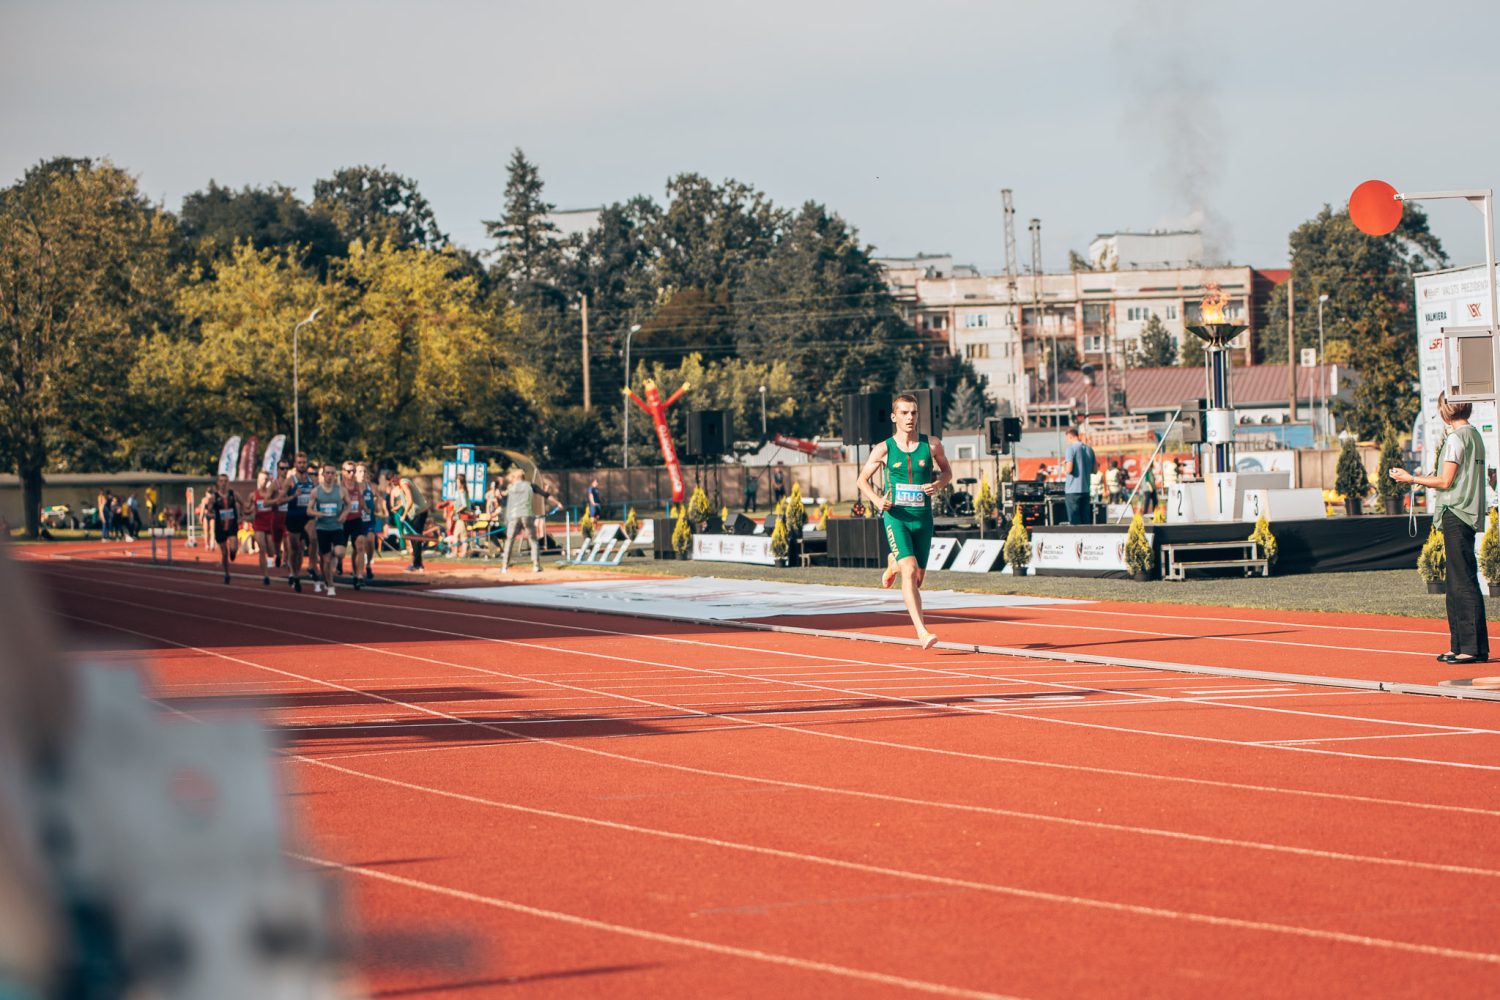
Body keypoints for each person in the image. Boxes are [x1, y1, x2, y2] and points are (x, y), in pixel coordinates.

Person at [1391, 393, 1488, 665]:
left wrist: (1411, 478)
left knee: (1462, 581)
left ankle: (1470, 648)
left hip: (1457, 511)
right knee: (1459, 581)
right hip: (1464, 511)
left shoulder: (1457, 438)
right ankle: (1462, 645)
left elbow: (1446, 481)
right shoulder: (1474, 435)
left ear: (1446, 409)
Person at [856, 393, 953, 649]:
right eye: (904, 413)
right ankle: (921, 631)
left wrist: (937, 484)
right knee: (909, 570)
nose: (910, 418)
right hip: (896, 517)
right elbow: (861, 480)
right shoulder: (884, 448)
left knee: (918, 577)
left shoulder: (931, 445)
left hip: (923, 519)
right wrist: (878, 501)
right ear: (894, 417)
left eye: (914, 413)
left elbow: (947, 472)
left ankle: (892, 563)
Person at [310, 463, 348, 596]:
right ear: (323, 474)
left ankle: (332, 554)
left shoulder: (341, 490)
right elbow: (308, 510)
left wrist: (344, 514)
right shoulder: (316, 491)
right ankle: (330, 585)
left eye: (333, 473)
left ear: (335, 475)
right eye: (328, 473)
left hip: (337, 527)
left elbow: (348, 505)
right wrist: (317, 514)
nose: (330, 476)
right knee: (325, 560)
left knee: (340, 552)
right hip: (322, 528)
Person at [499, 468, 542, 573]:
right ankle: (536, 565)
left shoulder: (511, 487)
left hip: (514, 516)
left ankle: (504, 566)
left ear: (516, 477)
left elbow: (506, 500)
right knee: (533, 540)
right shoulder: (529, 486)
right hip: (527, 514)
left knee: (510, 540)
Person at [206, 474, 243, 584]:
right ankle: (227, 573)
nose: (223, 483)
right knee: (224, 553)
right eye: (221, 481)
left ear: (228, 482)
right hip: (220, 527)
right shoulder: (214, 497)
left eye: (225, 481)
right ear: (218, 483)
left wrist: (244, 515)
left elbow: (243, 504)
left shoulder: (234, 494)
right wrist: (212, 516)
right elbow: (209, 512)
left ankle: (233, 552)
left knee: (232, 548)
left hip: (232, 525)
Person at [391, 473, 431, 572]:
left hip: (419, 513)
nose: (392, 483)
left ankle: (417, 564)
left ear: (396, 477)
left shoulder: (404, 483)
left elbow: (410, 500)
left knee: (416, 538)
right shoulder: (400, 486)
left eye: (393, 480)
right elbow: (404, 501)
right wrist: (398, 507)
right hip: (415, 513)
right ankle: (418, 563)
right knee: (414, 538)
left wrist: (404, 515)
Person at [249, 470, 282, 586]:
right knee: (262, 549)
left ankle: (278, 554)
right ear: (258, 480)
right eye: (262, 479)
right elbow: (247, 508)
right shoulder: (254, 495)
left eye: (266, 479)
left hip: (270, 524)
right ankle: (266, 575)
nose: (264, 481)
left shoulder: (272, 493)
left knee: (271, 550)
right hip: (259, 525)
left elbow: (279, 503)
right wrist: (248, 513)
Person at [1062, 426, 1096, 525]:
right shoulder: (1090, 450)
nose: (1067, 442)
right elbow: (1095, 470)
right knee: (1085, 520)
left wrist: (1065, 464)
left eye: (1067, 439)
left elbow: (1069, 469)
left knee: (1074, 521)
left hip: (1073, 491)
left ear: (1070, 437)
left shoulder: (1071, 449)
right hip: (1086, 489)